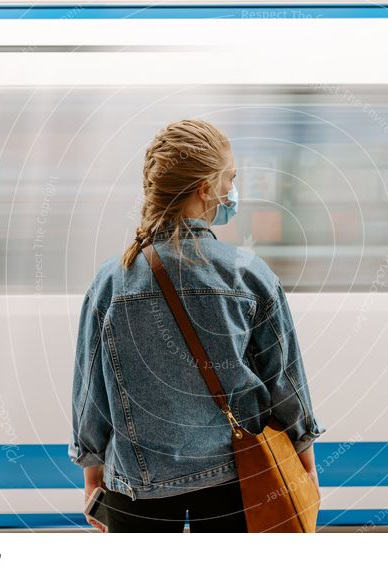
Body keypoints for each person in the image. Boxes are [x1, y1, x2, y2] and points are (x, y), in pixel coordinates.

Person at [69, 118, 326, 533]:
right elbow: (285, 384)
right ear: (205, 188)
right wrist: (303, 465)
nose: (233, 190)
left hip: (136, 484)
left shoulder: (110, 283)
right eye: (231, 178)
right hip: (236, 478)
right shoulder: (249, 275)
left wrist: (93, 476)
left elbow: (90, 396)